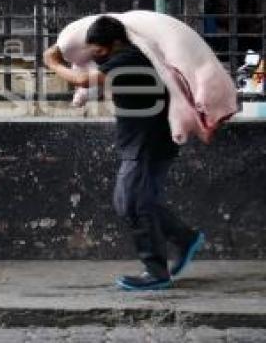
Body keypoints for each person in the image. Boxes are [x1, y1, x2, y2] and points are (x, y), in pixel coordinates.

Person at [43, 15, 205, 291]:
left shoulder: (129, 59)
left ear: (115, 43)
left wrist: (52, 62)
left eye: (101, 50)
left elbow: (83, 79)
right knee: (131, 202)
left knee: (134, 204)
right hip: (145, 142)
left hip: (147, 144)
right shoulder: (121, 55)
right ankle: (184, 238)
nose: (99, 55)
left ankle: (156, 271)